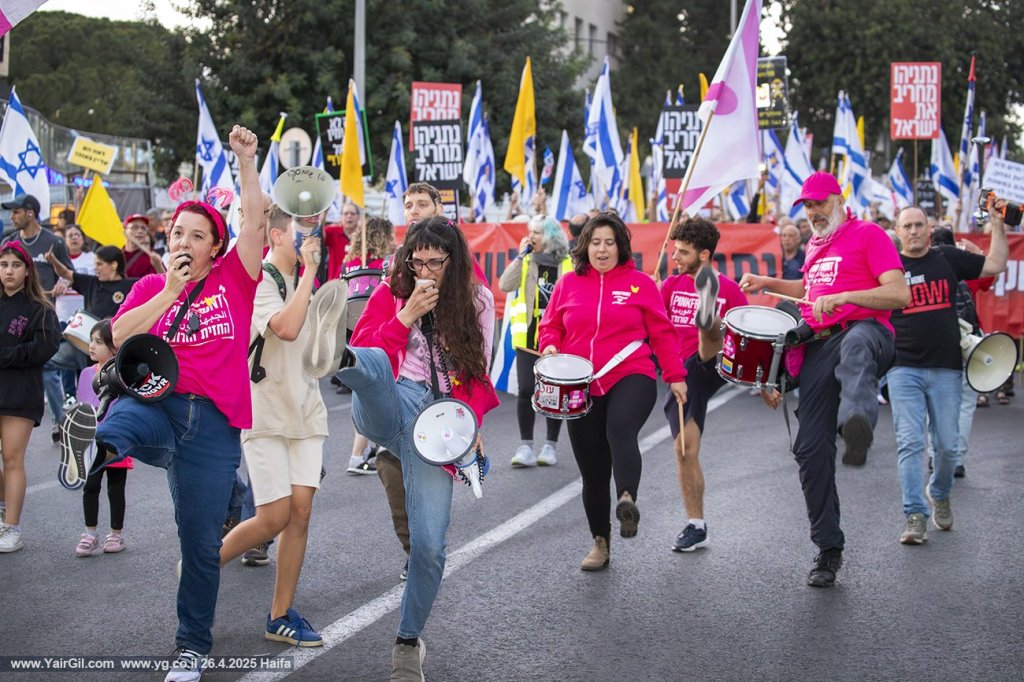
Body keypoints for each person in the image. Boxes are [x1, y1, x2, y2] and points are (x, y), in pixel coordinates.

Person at [62, 125, 265, 681]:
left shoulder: (236, 277)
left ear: (216, 246)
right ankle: (93, 447)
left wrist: (247, 161)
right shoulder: (152, 286)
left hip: (213, 430)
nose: (184, 242)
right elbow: (115, 335)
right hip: (159, 404)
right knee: (124, 419)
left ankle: (192, 648)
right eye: (178, 233)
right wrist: (170, 292)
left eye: (198, 235)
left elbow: (254, 220)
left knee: (199, 545)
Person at [337, 216, 498, 680]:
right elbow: (373, 346)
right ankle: (333, 355)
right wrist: (404, 315)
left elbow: (479, 375)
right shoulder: (391, 292)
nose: (424, 270)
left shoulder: (478, 300)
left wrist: (469, 425)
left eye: (434, 262)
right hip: (394, 398)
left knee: (429, 546)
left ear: (454, 261)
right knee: (366, 365)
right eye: (416, 261)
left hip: (440, 421)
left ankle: (408, 642)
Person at [740, 171, 909, 588]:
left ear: (839, 199)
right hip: (819, 344)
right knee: (810, 450)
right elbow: (807, 289)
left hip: (867, 332)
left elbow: (899, 294)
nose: (814, 212)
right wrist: (768, 283)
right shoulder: (815, 245)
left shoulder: (869, 234)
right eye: (808, 206)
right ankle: (828, 548)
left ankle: (856, 423)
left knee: (855, 346)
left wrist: (848, 297)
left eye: (820, 203)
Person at [538, 212, 687, 571]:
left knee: (620, 428)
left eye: (609, 243)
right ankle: (600, 543)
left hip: (630, 372)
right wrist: (550, 346)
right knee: (593, 470)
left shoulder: (641, 284)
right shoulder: (568, 284)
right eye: (595, 242)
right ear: (584, 246)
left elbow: (662, 333)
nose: (602, 250)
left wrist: (675, 375)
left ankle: (626, 499)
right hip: (580, 385)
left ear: (621, 247)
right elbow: (550, 325)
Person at [219, 204, 327, 646]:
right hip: (265, 410)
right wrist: (309, 274)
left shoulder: (305, 279)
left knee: (300, 513)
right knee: (273, 516)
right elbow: (284, 327)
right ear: (278, 236)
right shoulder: (260, 278)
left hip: (306, 408)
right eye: (302, 231)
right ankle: (203, 565)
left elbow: (313, 347)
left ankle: (279, 615)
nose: (311, 239)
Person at [888, 204, 1006, 545]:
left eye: (919, 225)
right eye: (907, 226)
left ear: (929, 229)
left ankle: (939, 492)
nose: (913, 231)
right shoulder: (888, 267)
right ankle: (915, 515)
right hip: (903, 368)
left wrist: (997, 224)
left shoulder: (947, 258)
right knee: (910, 443)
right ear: (898, 231)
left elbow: (996, 264)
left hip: (946, 368)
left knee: (948, 446)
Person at [660, 217, 747, 552]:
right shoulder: (669, 286)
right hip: (682, 372)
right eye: (675, 251)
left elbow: (749, 341)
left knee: (709, 340)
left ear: (705, 254)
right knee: (684, 450)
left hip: (716, 362)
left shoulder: (732, 290)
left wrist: (767, 385)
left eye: (683, 252)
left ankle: (708, 318)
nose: (675, 257)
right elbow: (652, 327)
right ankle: (697, 526)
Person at [0, 241, 60, 552]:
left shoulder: (40, 308)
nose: (8, 271)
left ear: (27, 271)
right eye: (3, 265)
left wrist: (7, 356)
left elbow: (45, 347)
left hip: (20, 393)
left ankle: (12, 528)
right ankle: (3, 511)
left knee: (12, 459)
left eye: (15, 265)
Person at [499, 214, 571, 467]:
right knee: (526, 390)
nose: (531, 236)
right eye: (530, 232)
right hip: (528, 338)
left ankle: (550, 446)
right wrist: (520, 256)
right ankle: (525, 446)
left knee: (553, 392)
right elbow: (505, 284)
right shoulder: (526, 261)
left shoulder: (567, 264)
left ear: (550, 236)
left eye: (537, 232)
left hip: (557, 340)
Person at [1, 195, 73, 440]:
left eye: (16, 212)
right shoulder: (9, 241)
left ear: (30, 213)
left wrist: (62, 283)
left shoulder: (54, 242)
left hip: (41, 317)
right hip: (11, 316)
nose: (12, 217)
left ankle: (60, 421)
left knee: (49, 371)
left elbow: (69, 274)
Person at [69, 319, 133, 556]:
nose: (92, 346)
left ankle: (115, 535)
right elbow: (82, 406)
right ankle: (90, 534)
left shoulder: (123, 374)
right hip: (90, 442)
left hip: (115, 440)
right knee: (91, 487)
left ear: (114, 348)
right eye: (91, 341)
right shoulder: (86, 373)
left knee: (116, 489)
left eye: (98, 342)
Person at [343, 216, 396, 472]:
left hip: (354, 330)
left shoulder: (350, 263)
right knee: (379, 390)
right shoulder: (386, 264)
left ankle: (364, 453)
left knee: (366, 390)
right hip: (379, 329)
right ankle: (364, 453)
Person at [122, 213, 166, 278]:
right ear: (125, 232)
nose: (140, 231)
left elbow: (166, 281)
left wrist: (158, 266)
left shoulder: (152, 257)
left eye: (143, 228)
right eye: (135, 227)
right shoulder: (118, 254)